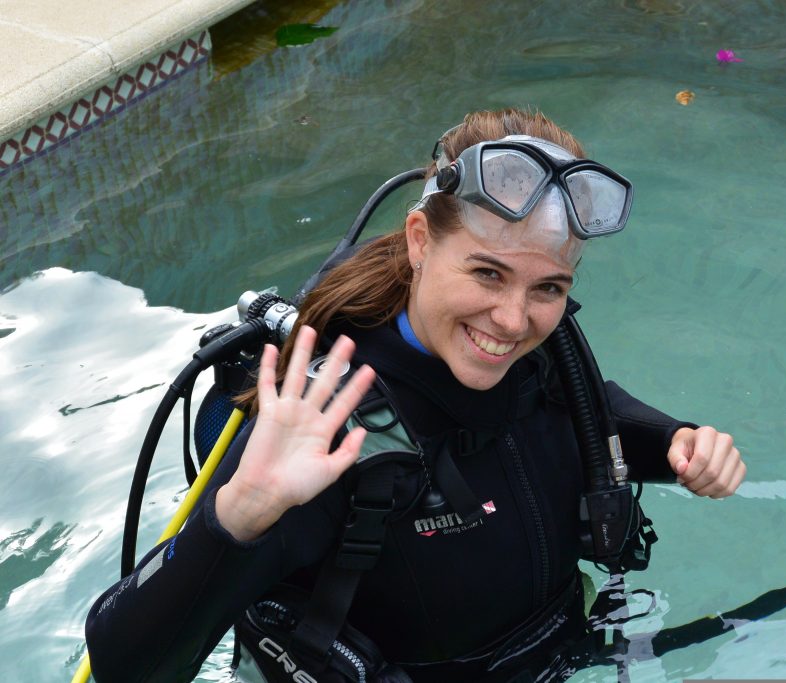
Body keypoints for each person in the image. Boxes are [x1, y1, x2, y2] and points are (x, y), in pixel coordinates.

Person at [84, 108, 746, 683]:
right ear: (420, 240)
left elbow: (588, 410)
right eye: (487, 272)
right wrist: (235, 518)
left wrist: (675, 444)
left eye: (547, 287)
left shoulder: (542, 359)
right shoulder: (330, 426)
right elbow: (123, 663)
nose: (514, 321)